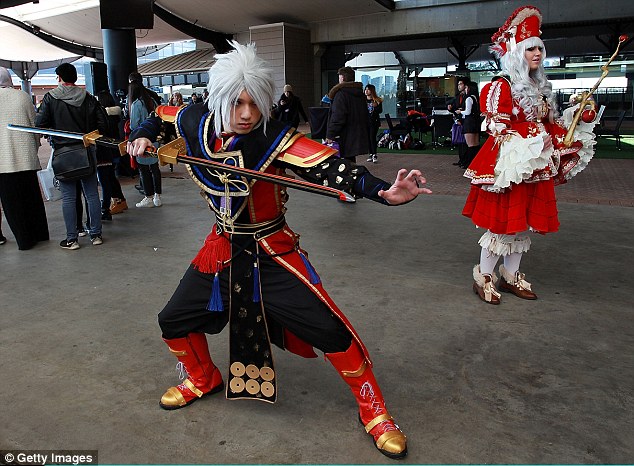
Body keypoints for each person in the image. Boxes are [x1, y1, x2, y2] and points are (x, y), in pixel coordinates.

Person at [127, 41, 432, 460]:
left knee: (330, 329)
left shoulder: (275, 138)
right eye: (237, 103)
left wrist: (382, 191)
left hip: (270, 251)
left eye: (255, 103)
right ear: (218, 100)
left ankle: (374, 409)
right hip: (220, 248)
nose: (247, 114)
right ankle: (202, 377)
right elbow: (160, 117)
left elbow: (330, 167)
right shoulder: (195, 118)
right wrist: (142, 136)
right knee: (173, 320)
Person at [462, 5, 598, 304]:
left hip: (537, 164)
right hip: (512, 166)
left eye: (539, 48)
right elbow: (498, 128)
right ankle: (484, 277)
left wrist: (579, 118)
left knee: (521, 223)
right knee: (501, 222)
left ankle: (510, 276)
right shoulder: (501, 85)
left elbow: (551, 124)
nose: (537, 54)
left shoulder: (540, 86)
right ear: (515, 52)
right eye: (530, 48)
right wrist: (531, 139)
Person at [35, 63, 106, 249]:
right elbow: (103, 123)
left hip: (63, 154)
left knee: (68, 197)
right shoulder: (88, 97)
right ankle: (96, 235)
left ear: (59, 77)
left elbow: (39, 123)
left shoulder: (50, 98)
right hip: (87, 151)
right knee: (91, 194)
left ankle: (72, 239)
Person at [0, 66, 49, 250]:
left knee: (12, 204)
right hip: (26, 157)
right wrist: (34, 147)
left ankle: (25, 241)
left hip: (3, 162)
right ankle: (41, 234)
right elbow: (34, 126)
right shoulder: (22, 96)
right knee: (32, 198)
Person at [128, 80, 162, 208]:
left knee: (144, 170)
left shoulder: (136, 104)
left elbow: (133, 125)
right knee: (155, 168)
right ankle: (157, 196)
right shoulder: (152, 101)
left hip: (141, 141)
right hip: (155, 140)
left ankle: (148, 196)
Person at [326, 66, 370, 162]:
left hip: (343, 136)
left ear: (342, 77)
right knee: (350, 162)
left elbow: (338, 117)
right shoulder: (359, 94)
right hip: (356, 135)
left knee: (341, 164)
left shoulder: (341, 94)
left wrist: (330, 134)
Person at [96, 90, 128, 218]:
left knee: (106, 179)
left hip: (105, 150)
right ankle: (119, 200)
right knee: (111, 177)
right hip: (114, 149)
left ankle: (113, 203)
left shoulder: (103, 115)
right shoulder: (114, 115)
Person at [454, 80, 480, 166]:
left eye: (466, 87)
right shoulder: (475, 98)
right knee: (475, 144)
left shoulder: (469, 98)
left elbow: (468, 112)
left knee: (470, 144)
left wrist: (460, 112)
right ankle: (476, 162)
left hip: (469, 123)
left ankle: (469, 163)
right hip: (475, 122)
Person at [448, 78, 467, 167]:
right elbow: (453, 107)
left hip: (465, 120)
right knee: (460, 141)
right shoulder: (458, 96)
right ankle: (461, 159)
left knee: (465, 142)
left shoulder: (468, 96)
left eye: (461, 84)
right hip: (459, 120)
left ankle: (465, 160)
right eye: (458, 84)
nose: (459, 86)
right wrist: (450, 108)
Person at [364, 84, 383, 163]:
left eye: (368, 89)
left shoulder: (377, 100)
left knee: (372, 137)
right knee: (368, 138)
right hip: (366, 122)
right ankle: (370, 154)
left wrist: (375, 107)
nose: (366, 91)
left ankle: (374, 154)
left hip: (374, 122)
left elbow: (380, 110)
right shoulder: (363, 100)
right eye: (365, 89)